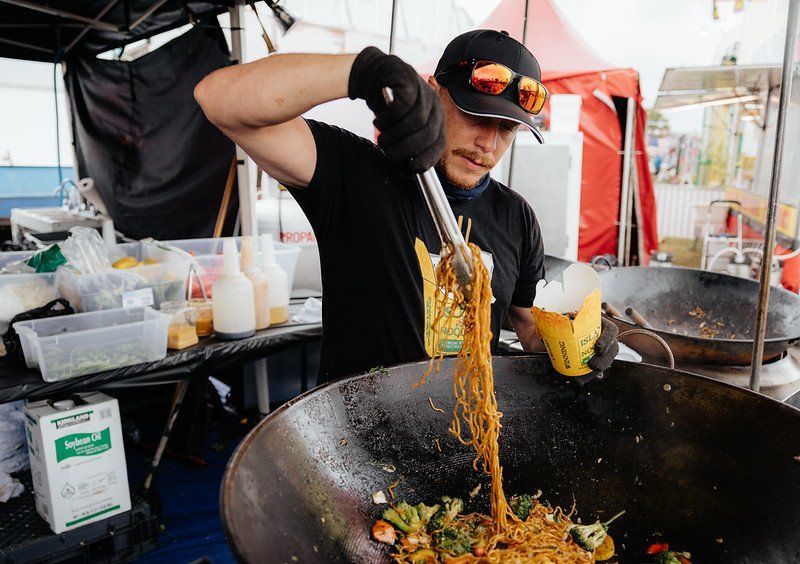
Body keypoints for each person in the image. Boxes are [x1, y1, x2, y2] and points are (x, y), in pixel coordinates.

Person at [194, 29, 618, 385]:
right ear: (435, 93)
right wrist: (363, 71)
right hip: (354, 442)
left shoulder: (516, 217)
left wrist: (576, 343)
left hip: (466, 441)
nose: (488, 144)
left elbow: (525, 323)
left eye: (506, 129)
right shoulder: (355, 175)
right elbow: (218, 99)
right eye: (475, 116)